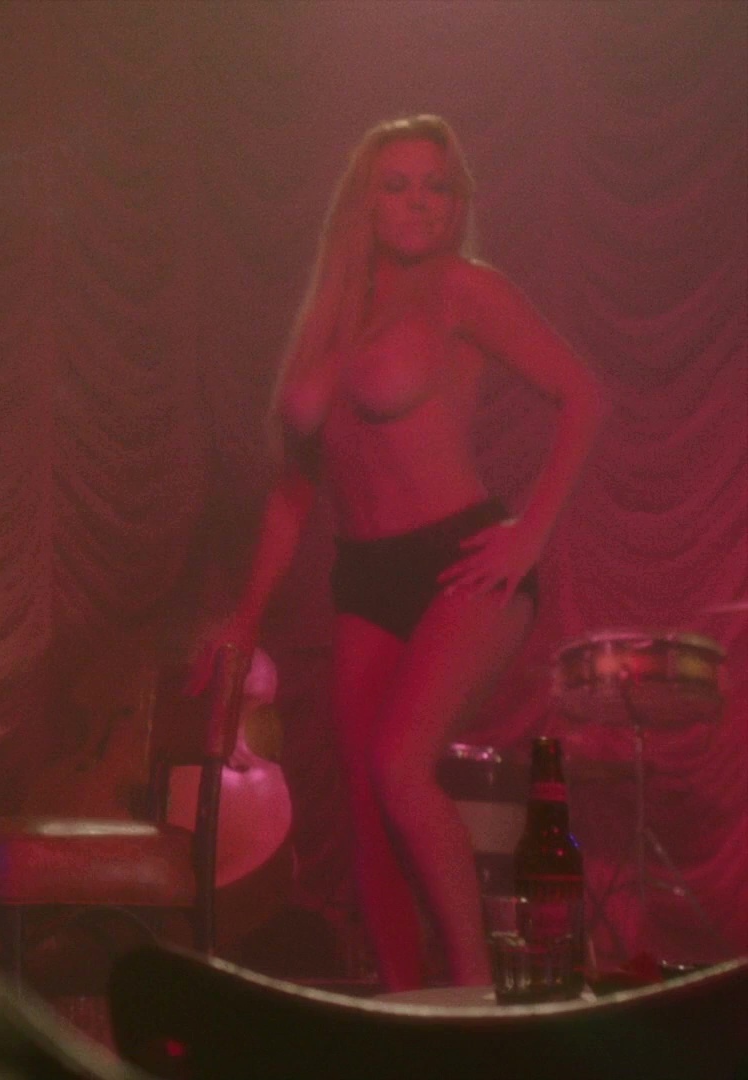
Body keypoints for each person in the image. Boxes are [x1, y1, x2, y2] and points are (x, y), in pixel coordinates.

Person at [200, 116, 608, 990]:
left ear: (457, 204)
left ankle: (473, 998)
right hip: (366, 576)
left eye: (437, 185)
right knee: (366, 803)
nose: (420, 202)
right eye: (398, 184)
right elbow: (294, 491)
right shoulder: (330, 317)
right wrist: (245, 620)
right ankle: (404, 1009)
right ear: (365, 202)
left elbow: (583, 394)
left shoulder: (463, 287)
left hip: (460, 559)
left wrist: (531, 531)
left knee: (399, 765)